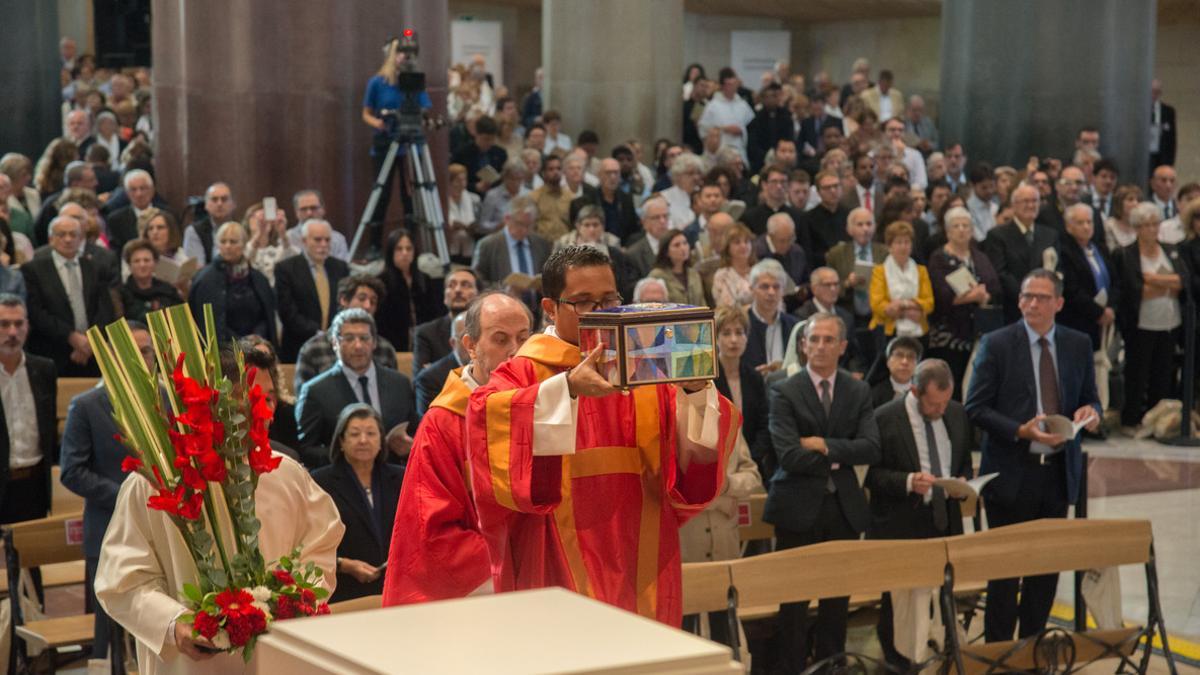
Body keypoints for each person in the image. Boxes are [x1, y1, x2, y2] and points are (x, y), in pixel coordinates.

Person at [466, 245, 739, 625]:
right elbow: (485, 414)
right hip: (555, 560)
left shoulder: (642, 362)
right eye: (584, 302)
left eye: (609, 299)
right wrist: (567, 390)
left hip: (640, 552)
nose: (601, 312)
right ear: (550, 307)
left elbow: (693, 460)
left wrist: (695, 391)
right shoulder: (526, 372)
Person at [96, 451, 342, 672]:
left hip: (278, 653)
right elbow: (124, 580)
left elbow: (319, 545)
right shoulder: (149, 482)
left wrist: (293, 601)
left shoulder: (284, 473)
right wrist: (172, 623)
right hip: (191, 661)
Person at [964, 269, 1101, 643]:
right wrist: (1020, 431)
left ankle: (1033, 654)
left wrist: (1091, 413)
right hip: (1011, 473)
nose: (1031, 304)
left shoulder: (1077, 344)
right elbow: (975, 408)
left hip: (1057, 474)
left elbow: (1091, 396)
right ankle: (999, 656)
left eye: (1041, 297)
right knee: (1006, 576)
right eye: (1026, 296)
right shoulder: (997, 343)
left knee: (1045, 574)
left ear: (1058, 303)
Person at [384, 292, 532, 605]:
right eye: (500, 339)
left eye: (523, 338)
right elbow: (433, 531)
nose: (515, 352)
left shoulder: (537, 408)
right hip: (482, 598)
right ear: (471, 346)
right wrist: (515, 572)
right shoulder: (444, 423)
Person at [766, 312, 880, 672]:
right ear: (802, 345)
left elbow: (871, 448)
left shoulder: (857, 389)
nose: (819, 346)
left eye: (828, 340)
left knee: (836, 599)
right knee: (794, 601)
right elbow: (788, 454)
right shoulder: (784, 389)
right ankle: (793, 667)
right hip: (796, 506)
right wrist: (840, 454)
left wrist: (823, 446)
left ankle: (832, 665)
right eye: (813, 339)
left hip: (843, 507)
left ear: (843, 347)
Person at [866, 359, 973, 670]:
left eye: (945, 401)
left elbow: (963, 461)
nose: (941, 409)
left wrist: (962, 483)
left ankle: (942, 653)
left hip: (944, 519)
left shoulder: (955, 412)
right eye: (933, 403)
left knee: (944, 595)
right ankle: (898, 661)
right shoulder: (885, 418)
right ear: (914, 390)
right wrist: (908, 481)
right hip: (901, 522)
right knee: (898, 603)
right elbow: (870, 475)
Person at [59, 321, 155, 660]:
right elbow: (72, 471)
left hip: (160, 527)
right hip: (109, 529)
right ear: (113, 356)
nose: (142, 359)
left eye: (146, 351)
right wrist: (128, 496)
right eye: (133, 351)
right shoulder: (86, 405)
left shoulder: (165, 400)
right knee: (110, 633)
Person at [296, 308, 416, 469]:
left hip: (393, 479)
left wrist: (410, 448)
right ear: (334, 342)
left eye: (364, 338)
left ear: (374, 342)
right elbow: (305, 449)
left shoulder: (399, 384)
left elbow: (416, 431)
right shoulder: (315, 391)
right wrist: (347, 452)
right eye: (349, 338)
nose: (358, 346)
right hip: (341, 483)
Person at [311, 404, 404, 602]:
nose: (363, 440)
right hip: (345, 590)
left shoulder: (402, 477)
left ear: (381, 441)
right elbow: (310, 541)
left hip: (395, 587)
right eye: (354, 434)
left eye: (371, 433)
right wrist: (343, 564)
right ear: (341, 441)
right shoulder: (320, 482)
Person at [1114, 202, 1187, 433]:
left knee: (1163, 373)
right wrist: (1166, 283)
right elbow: (1136, 289)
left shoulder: (1170, 249)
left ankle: (1160, 420)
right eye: (1146, 225)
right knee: (1137, 372)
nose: (1152, 229)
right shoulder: (1126, 254)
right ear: (1137, 228)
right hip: (1141, 323)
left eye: (1155, 224)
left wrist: (1152, 279)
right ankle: (1132, 418)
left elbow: (1181, 282)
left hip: (1169, 322)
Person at [22, 215, 116, 376]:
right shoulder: (34, 270)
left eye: (73, 235)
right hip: (52, 351)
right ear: (51, 239)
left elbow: (105, 309)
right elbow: (36, 312)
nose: (67, 239)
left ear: (81, 239)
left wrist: (88, 342)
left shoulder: (95, 267)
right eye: (61, 234)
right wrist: (71, 337)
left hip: (92, 352)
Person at [361, 37, 432, 239]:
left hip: (411, 145)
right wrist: (379, 123)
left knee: (410, 194)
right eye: (400, 53)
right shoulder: (377, 82)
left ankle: (412, 242)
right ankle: (375, 242)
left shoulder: (415, 81)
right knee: (381, 194)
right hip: (386, 143)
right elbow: (366, 113)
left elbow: (425, 106)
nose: (405, 58)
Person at [927, 207, 1001, 396]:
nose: (961, 230)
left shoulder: (979, 256)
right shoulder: (938, 258)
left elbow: (993, 285)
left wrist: (984, 295)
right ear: (948, 231)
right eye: (956, 226)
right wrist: (970, 297)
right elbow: (940, 295)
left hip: (977, 331)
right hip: (949, 335)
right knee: (953, 384)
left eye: (965, 226)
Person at [1057, 204, 1119, 412]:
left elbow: (1115, 281)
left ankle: (1094, 414)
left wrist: (1110, 309)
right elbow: (1072, 289)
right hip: (1077, 320)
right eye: (1080, 222)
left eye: (1089, 222)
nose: (1086, 227)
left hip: (1101, 321)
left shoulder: (1099, 248)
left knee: (1096, 372)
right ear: (1068, 226)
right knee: (1075, 371)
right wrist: (1098, 311)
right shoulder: (1064, 251)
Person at [295, 274, 397, 392]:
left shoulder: (385, 349)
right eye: (362, 298)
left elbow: (392, 395)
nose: (368, 306)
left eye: (373, 302)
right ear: (343, 300)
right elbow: (304, 398)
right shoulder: (313, 349)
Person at [187, 221, 278, 344]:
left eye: (233, 241)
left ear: (244, 244)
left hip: (256, 345)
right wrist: (240, 342)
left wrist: (256, 338)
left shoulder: (258, 278)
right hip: (224, 350)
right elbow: (208, 322)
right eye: (223, 242)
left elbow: (266, 317)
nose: (228, 246)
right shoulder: (205, 279)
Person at [274, 218, 350, 362]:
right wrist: (317, 332)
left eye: (327, 240)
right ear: (304, 241)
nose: (323, 245)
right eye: (318, 240)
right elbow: (287, 311)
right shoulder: (286, 269)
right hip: (298, 345)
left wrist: (333, 332)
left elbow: (345, 303)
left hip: (335, 345)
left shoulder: (340, 268)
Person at [984, 184, 1059, 324]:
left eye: (1035, 201)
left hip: (1045, 310)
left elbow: (1059, 269)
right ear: (1013, 205)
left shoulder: (1050, 234)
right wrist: (1029, 297)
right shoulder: (997, 235)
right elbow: (1001, 273)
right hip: (1013, 309)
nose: (1031, 205)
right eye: (1025, 201)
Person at [712, 306, 772, 479]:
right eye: (726, 333)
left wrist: (750, 459)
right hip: (717, 463)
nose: (734, 340)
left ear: (747, 337)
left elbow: (764, 424)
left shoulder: (754, 377)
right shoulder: (708, 381)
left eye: (739, 333)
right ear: (715, 338)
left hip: (752, 464)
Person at [375, 228, 443, 352]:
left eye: (409, 248)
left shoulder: (425, 279)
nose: (405, 253)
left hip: (422, 341)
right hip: (392, 344)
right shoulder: (380, 282)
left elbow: (434, 315)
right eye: (399, 249)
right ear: (391, 252)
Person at [870, 221, 934, 346]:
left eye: (907, 242)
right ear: (890, 246)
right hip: (888, 331)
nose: (903, 247)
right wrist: (905, 312)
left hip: (918, 330)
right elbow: (877, 304)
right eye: (899, 242)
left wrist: (903, 304)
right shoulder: (879, 271)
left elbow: (929, 302)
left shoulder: (921, 271)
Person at [471, 196, 552, 295]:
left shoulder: (541, 244)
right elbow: (476, 282)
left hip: (537, 307)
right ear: (507, 219)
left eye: (529, 225)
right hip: (502, 306)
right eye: (520, 224)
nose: (525, 230)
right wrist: (504, 290)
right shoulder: (487, 246)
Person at [796, 267, 864, 375]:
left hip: (844, 376)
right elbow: (802, 356)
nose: (833, 289)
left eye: (836, 284)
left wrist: (855, 371)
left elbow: (854, 352)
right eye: (827, 285)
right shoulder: (802, 315)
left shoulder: (846, 316)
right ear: (814, 288)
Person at [412, 267, 479, 372]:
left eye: (465, 285)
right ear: (444, 296)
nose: (457, 290)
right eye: (451, 285)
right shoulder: (426, 333)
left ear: (478, 294)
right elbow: (424, 378)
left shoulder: (487, 330)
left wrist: (435, 369)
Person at [744, 259, 799, 374]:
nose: (771, 292)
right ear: (752, 289)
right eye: (764, 287)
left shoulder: (794, 325)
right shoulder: (742, 324)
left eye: (776, 287)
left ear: (783, 291)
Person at [568, 157, 639, 244]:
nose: (613, 177)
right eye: (608, 173)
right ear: (599, 175)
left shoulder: (626, 199)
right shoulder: (582, 203)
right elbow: (577, 234)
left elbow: (633, 229)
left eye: (616, 173)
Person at [414, 313, 468, 419]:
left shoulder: (491, 369)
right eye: (465, 338)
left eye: (477, 337)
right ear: (453, 343)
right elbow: (429, 426)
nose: (473, 344)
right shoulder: (430, 379)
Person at [699, 67, 755, 164]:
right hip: (721, 149)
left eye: (734, 84)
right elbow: (704, 129)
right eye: (729, 84)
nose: (732, 87)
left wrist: (741, 130)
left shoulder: (742, 105)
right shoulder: (713, 106)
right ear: (723, 85)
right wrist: (724, 129)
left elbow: (752, 126)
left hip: (739, 149)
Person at [119, 240, 184, 322]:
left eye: (146, 260)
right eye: (136, 261)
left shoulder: (168, 290)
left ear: (155, 263)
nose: (142, 265)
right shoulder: (121, 295)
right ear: (129, 265)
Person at [241, 199, 296, 287]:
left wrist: (283, 234)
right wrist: (259, 234)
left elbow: (293, 259)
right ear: (247, 221)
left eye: (266, 217)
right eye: (256, 217)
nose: (262, 221)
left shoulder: (279, 249)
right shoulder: (242, 247)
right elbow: (242, 259)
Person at [285, 190, 351, 262]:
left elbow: (342, 269)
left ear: (323, 210)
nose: (309, 213)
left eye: (313, 208)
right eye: (303, 209)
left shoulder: (338, 239)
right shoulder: (288, 237)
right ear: (296, 213)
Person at [802, 170, 850, 268]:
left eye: (836, 186)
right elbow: (808, 252)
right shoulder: (808, 218)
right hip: (821, 267)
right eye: (827, 188)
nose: (833, 191)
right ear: (818, 192)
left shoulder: (850, 214)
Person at [104, 168, 158, 253]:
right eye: (133, 189)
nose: (139, 194)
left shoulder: (165, 214)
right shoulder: (116, 220)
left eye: (143, 188)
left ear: (152, 190)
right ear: (127, 193)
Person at [647, 230, 706, 306]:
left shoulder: (694, 274)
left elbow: (702, 303)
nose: (683, 248)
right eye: (677, 245)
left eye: (685, 243)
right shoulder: (656, 275)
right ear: (666, 252)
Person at [753, 211, 810, 288]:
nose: (787, 245)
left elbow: (805, 280)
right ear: (771, 236)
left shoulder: (797, 252)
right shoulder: (755, 252)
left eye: (790, 239)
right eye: (782, 241)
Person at [710, 223, 758, 309]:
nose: (743, 246)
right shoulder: (722, 276)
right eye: (737, 242)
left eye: (746, 241)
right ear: (727, 247)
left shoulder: (760, 271)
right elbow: (727, 309)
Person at [478, 158, 529, 234]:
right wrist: (498, 226)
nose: (516, 183)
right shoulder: (493, 195)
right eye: (512, 179)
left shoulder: (528, 194)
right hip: (498, 236)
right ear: (505, 177)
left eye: (519, 179)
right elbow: (482, 225)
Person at [625, 196, 672, 279]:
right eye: (656, 217)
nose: (662, 221)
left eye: (665, 216)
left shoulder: (679, 245)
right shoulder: (633, 255)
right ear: (644, 223)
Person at [529, 155, 573, 242]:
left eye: (558, 168)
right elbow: (530, 226)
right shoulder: (534, 197)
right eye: (551, 169)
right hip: (542, 245)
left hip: (565, 246)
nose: (556, 172)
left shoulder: (570, 197)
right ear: (544, 173)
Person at [870, 336, 922, 408]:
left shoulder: (924, 393)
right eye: (899, 355)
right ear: (888, 362)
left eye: (911, 356)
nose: (905, 362)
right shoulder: (873, 395)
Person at [446, 164, 481, 262]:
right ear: (450, 182)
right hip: (450, 246)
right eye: (458, 180)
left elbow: (477, 222)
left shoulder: (474, 199)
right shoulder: (443, 200)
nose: (462, 184)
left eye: (464, 180)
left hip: (469, 247)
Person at [1149, 79, 1176, 169]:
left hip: (1161, 156)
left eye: (1156, 92)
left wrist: (1170, 163)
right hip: (1144, 155)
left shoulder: (1168, 111)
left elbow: (1172, 139)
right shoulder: (1139, 109)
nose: (1153, 95)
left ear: (1160, 93)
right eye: (1151, 91)